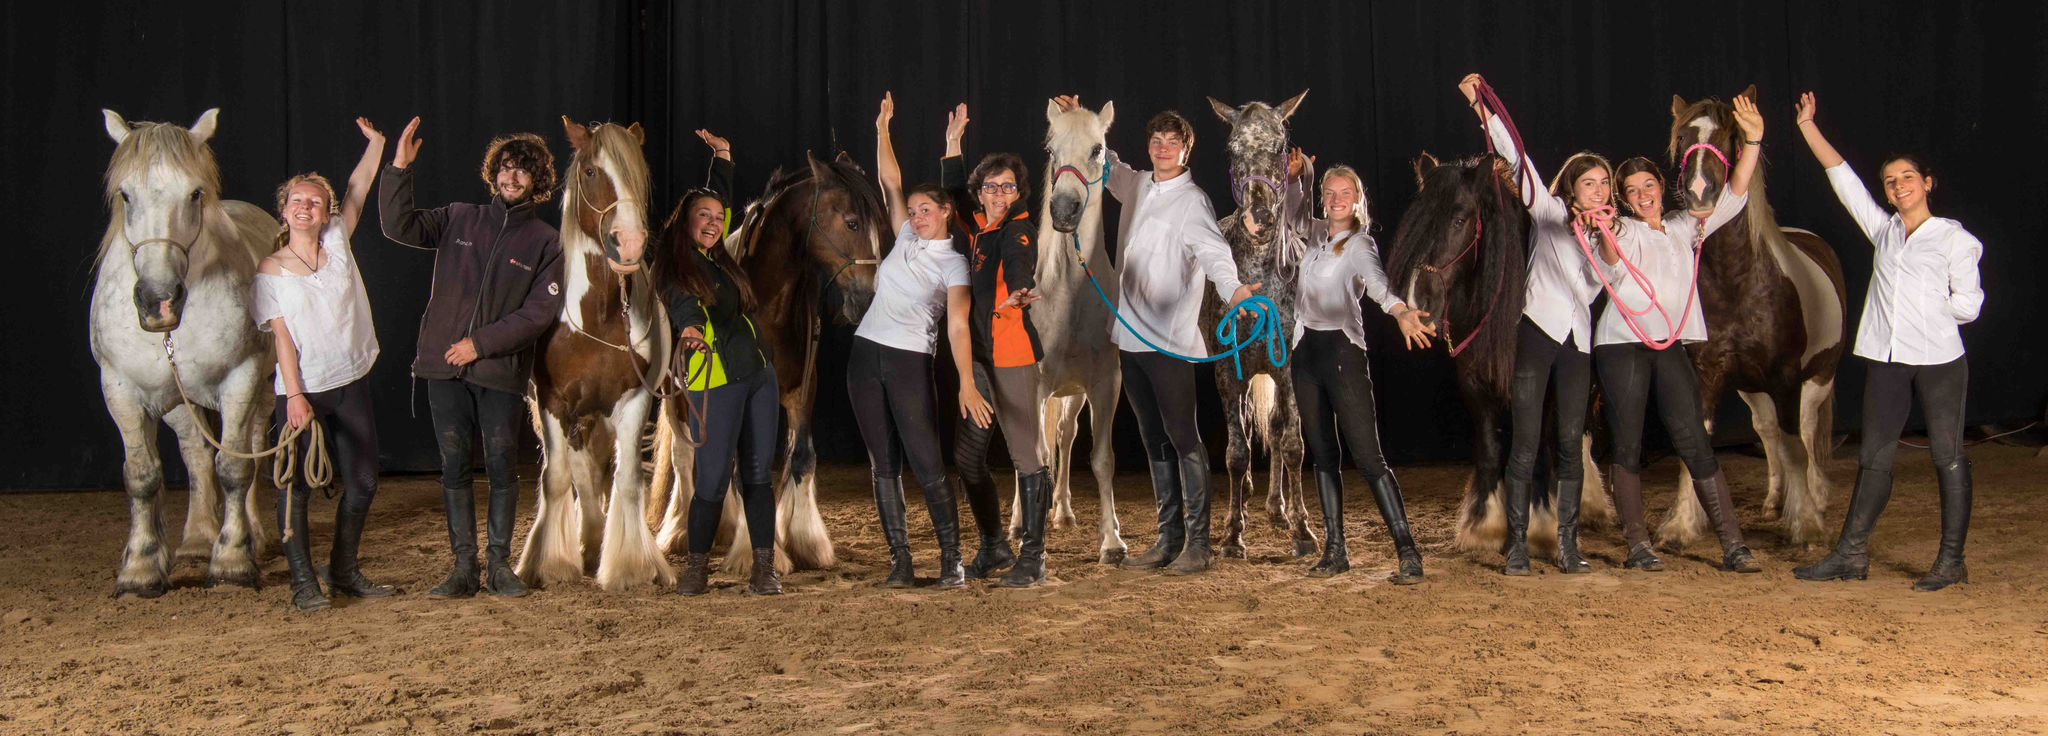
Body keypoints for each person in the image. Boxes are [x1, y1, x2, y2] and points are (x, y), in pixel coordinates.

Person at [1055, 95, 1258, 576]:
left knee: (1183, 437)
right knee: (1153, 438)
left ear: (1187, 150)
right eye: (1157, 140)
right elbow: (1103, 159)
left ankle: (1199, 544)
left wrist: (1234, 294)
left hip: (1169, 342)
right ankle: (1169, 539)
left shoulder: (1194, 202)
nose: (1163, 148)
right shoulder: (1139, 184)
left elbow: (1214, 255)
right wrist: (1078, 122)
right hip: (1129, 338)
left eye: (1174, 141)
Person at [1790, 91, 1984, 592]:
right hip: (1888, 361)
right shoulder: (1885, 232)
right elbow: (1844, 182)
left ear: (1927, 184)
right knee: (1874, 457)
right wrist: (1808, 126)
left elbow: (1970, 304)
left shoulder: (1955, 240)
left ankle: (1951, 561)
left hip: (1940, 361)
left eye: (1907, 178)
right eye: (1890, 181)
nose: (1898, 187)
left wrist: (1929, 312)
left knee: (1947, 455)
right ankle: (1851, 555)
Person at [379, 118, 565, 599]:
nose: (512, 177)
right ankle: (464, 568)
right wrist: (399, 167)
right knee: (454, 467)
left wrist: (480, 344)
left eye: (523, 171)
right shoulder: (458, 217)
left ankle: (501, 566)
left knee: (503, 468)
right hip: (443, 370)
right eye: (505, 168)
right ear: (493, 174)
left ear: (537, 181)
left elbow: (539, 313)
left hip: (499, 375)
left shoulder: (546, 242)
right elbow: (398, 226)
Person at [1588, 94, 1770, 575]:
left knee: (1695, 441)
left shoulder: (1686, 225)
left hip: (1670, 346)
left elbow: (1736, 189)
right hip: (1622, 346)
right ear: (1622, 198)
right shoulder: (1620, 230)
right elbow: (1607, 260)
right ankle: (1637, 546)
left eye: (1648, 184)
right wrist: (1604, 227)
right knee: (1627, 445)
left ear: (1662, 185)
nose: (1643, 193)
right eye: (1632, 190)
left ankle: (1733, 545)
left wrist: (1752, 139)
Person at [1458, 73, 1606, 573]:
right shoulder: (1548, 211)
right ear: (1572, 188)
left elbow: (1593, 290)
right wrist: (1483, 109)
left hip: (1577, 343)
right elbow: (1518, 159)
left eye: (1605, 183)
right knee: (1524, 441)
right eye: (1590, 182)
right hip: (1538, 334)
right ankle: (1517, 543)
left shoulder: (1613, 235)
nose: (1599, 189)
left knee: (1568, 445)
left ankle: (1567, 544)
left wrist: (1602, 239)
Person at [251, 118, 392, 612]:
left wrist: (376, 145)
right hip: (304, 391)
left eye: (314, 201)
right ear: (284, 212)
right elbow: (282, 341)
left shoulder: (337, 241)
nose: (306, 206)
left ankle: (344, 571)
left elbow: (359, 186)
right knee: (294, 486)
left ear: (326, 210)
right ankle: (302, 583)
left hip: (351, 380)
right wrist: (293, 396)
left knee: (364, 482)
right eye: (297, 201)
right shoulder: (270, 272)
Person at [855, 92, 994, 590]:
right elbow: (888, 180)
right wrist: (882, 130)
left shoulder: (954, 262)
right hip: (864, 355)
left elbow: (958, 325)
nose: (915, 217)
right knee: (883, 463)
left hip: (909, 359)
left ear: (945, 212)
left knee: (927, 461)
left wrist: (965, 384)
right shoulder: (905, 239)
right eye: (912, 211)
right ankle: (900, 561)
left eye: (925, 210)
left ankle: (952, 562)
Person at [1282, 149, 1432, 583]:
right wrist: (1296, 180)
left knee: (1368, 457)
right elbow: (1290, 216)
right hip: (1305, 352)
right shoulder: (1312, 235)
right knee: (1323, 456)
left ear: (1357, 199)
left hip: (1343, 353)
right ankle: (1335, 550)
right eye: (1329, 193)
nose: (1336, 199)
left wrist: (1401, 310)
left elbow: (1379, 285)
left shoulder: (1360, 244)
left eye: (1345, 193)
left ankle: (1408, 552)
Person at [661, 130, 785, 596]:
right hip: (713, 379)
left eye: (718, 218)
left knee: (757, 474)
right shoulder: (676, 267)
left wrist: (724, 157)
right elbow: (682, 304)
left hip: (758, 376)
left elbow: (720, 201)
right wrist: (690, 329)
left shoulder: (721, 261)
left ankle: (763, 567)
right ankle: (696, 569)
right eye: (703, 217)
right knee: (711, 479)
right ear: (685, 222)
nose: (713, 223)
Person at [937, 103, 1056, 587]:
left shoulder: (1017, 229)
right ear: (980, 193)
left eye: (1007, 186)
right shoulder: (976, 226)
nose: (1000, 193)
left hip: (1012, 357)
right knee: (968, 459)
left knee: (1026, 455)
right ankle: (994, 545)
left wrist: (1023, 291)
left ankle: (1035, 557)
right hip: (979, 361)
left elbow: (1021, 265)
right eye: (991, 186)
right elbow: (950, 190)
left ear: (1018, 191)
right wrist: (952, 144)